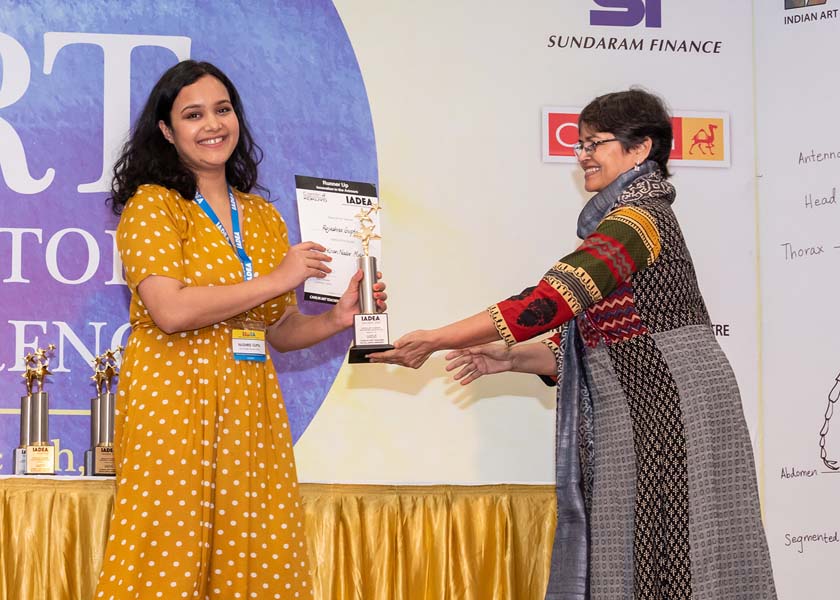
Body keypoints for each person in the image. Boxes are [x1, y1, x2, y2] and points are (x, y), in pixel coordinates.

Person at [371, 89, 776, 600]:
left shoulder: (639, 220)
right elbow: (603, 344)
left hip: (674, 411)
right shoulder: (624, 220)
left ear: (639, 149)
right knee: (638, 557)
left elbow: (549, 300)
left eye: (594, 143)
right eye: (579, 144)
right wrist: (511, 357)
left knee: (675, 559)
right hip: (644, 411)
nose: (582, 155)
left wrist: (436, 337)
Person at [95, 60, 386, 599]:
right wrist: (276, 278)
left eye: (222, 109)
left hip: (250, 406)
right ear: (166, 131)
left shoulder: (263, 216)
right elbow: (170, 311)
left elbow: (279, 328)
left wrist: (336, 318)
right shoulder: (153, 206)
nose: (212, 124)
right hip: (173, 403)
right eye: (193, 114)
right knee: (166, 552)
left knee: (255, 550)